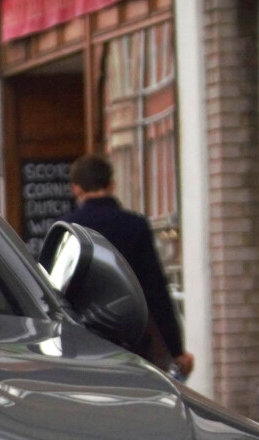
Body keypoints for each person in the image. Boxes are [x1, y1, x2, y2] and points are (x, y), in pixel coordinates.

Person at [60, 153, 191, 379]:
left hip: (82, 347)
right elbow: (156, 290)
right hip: (133, 343)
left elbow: (56, 290)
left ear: (76, 189)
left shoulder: (68, 229)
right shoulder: (135, 226)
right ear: (112, 184)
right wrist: (176, 349)